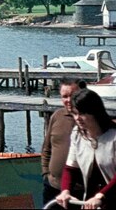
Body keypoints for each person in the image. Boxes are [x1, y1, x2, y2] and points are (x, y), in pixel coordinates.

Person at [56, 89, 116, 209]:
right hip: (91, 203)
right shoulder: (77, 134)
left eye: (82, 114)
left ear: (94, 112)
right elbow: (70, 168)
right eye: (74, 113)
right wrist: (65, 191)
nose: (77, 118)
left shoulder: (113, 136)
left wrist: (101, 196)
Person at [42, 78, 86, 207]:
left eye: (72, 96)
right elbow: (46, 148)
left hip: (79, 191)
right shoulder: (57, 116)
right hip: (53, 187)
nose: (68, 100)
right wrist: (45, 174)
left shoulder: (91, 121)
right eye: (64, 96)